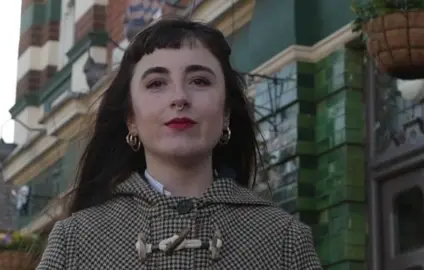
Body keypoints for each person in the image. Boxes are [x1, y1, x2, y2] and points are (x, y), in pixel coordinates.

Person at [37, 19, 322, 269]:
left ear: (225, 114)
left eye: (199, 81)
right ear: (131, 118)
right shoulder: (75, 241)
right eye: (156, 83)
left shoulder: (283, 238)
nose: (180, 97)